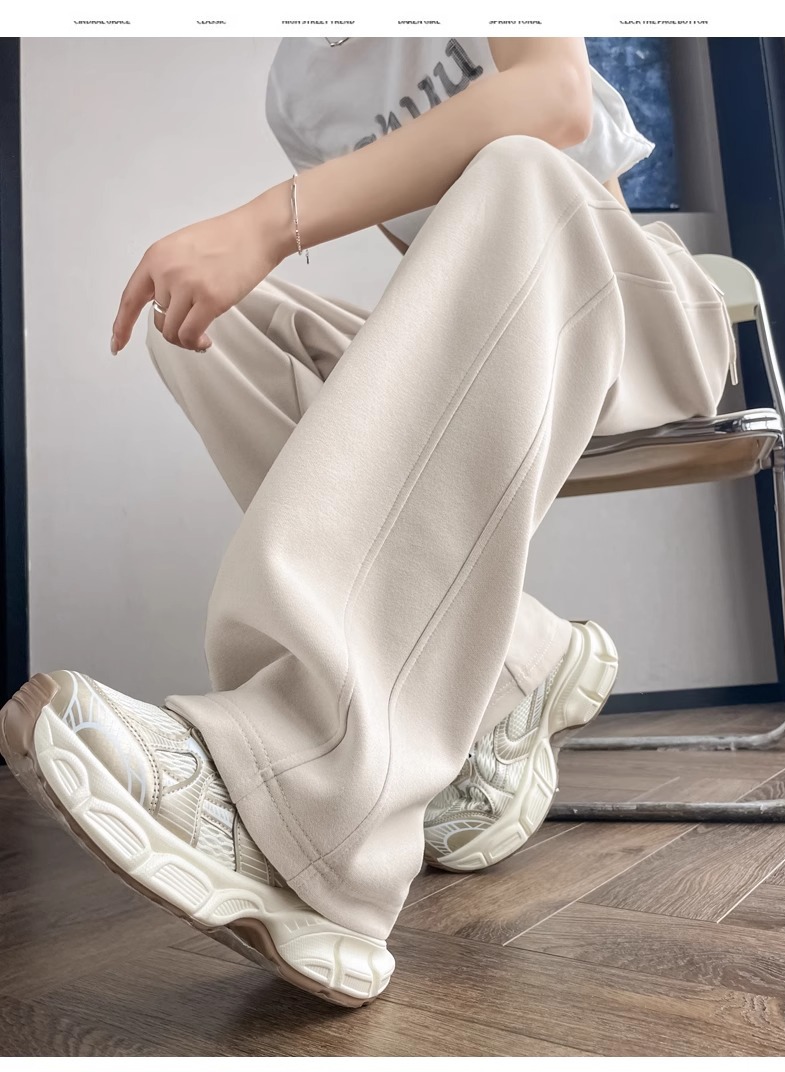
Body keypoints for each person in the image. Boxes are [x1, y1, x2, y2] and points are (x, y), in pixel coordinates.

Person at [0, 37, 736, 1008]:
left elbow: (555, 100)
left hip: (632, 302)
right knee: (206, 330)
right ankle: (520, 659)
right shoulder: (299, 90)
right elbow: (439, 256)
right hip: (515, 314)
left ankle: (307, 798)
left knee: (520, 170)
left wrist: (266, 222)